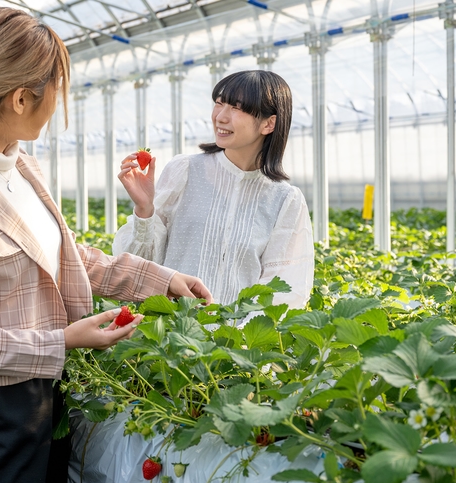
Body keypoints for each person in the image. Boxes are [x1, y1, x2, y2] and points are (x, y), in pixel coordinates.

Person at [0, 6, 212, 483]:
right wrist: (61, 340)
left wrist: (159, 279)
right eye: (57, 90)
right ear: (23, 98)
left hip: (42, 392)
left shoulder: (19, 166)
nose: (60, 103)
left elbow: (64, 257)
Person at [113, 70, 314, 308]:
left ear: (268, 123)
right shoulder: (185, 171)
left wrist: (237, 340)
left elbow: (284, 290)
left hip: (235, 341)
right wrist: (145, 209)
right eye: (219, 103)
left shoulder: (284, 200)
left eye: (237, 108)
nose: (221, 116)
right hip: (172, 333)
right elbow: (140, 265)